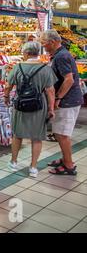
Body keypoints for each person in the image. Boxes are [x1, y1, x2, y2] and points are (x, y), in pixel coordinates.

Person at [4, 41, 57, 178]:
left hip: (20, 104)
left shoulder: (18, 67)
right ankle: (33, 167)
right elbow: (50, 91)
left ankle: (13, 162)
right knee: (37, 137)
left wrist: (6, 97)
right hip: (39, 106)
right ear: (38, 53)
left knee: (17, 134)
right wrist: (51, 108)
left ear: (26, 53)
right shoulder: (45, 69)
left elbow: (8, 85)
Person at [41, 30, 83, 175]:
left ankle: (69, 166)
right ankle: (65, 158)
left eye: (44, 43)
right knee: (59, 133)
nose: (43, 46)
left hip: (68, 101)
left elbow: (69, 79)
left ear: (52, 42)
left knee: (62, 134)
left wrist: (58, 98)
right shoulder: (60, 54)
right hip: (69, 100)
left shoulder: (61, 56)